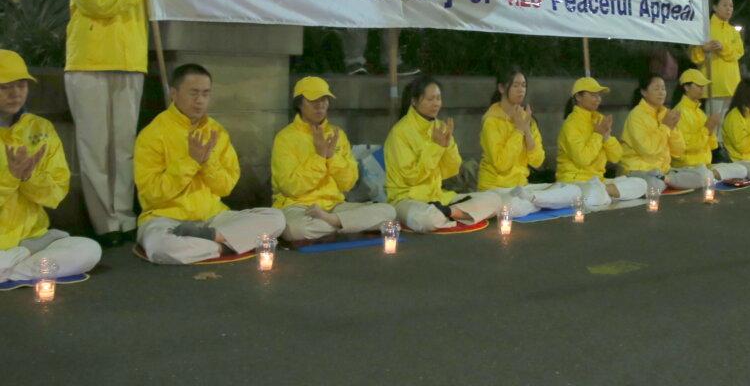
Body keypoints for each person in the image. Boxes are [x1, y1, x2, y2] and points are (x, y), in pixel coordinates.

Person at [62, 0, 154, 246]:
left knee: (123, 147)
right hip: (88, 62)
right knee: (95, 147)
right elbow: (97, 3)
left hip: (130, 62)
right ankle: (104, 224)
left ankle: (125, 218)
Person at [134, 64, 285, 265]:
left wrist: (206, 163)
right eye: (193, 93)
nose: (200, 101)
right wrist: (190, 162)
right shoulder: (152, 134)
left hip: (213, 218)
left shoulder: (217, 132)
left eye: (206, 94)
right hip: (165, 219)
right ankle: (225, 245)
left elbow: (225, 187)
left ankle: (211, 239)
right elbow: (152, 194)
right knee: (163, 247)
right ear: (173, 93)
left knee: (276, 218)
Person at [0, 51, 101, 283]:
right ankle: (20, 262)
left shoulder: (41, 128)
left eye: (21, 84)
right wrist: (10, 177)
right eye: (5, 86)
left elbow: (55, 193)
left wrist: (27, 178)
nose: (15, 93)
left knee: (88, 250)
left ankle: (12, 266)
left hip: (34, 236)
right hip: (24, 247)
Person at [272, 77, 395, 242]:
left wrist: (331, 157)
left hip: (335, 207)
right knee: (295, 229)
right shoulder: (285, 138)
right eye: (313, 100)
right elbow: (290, 187)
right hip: (298, 207)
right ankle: (346, 226)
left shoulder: (337, 134)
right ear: (299, 104)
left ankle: (333, 222)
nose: (320, 104)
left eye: (324, 99)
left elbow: (348, 183)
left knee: (388, 212)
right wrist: (319, 157)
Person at [384, 75, 501, 232]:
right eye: (430, 99)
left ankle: (449, 213)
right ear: (414, 101)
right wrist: (435, 147)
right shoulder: (399, 132)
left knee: (495, 200)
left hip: (438, 198)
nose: (436, 104)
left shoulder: (440, 127)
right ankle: (451, 214)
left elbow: (451, 170)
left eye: (438, 98)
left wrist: (446, 147)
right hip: (407, 199)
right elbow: (411, 177)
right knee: (427, 219)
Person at [477, 67, 581, 216]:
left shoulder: (527, 119)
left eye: (524, 85)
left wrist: (526, 130)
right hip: (496, 189)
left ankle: (535, 200)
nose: (521, 90)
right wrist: (518, 131)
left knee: (574, 191)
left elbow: (537, 161)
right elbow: (502, 164)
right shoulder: (491, 121)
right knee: (511, 206)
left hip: (522, 189)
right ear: (501, 88)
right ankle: (540, 202)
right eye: (515, 85)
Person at [555, 77, 647, 208]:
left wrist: (606, 136)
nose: (598, 98)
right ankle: (604, 193)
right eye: (592, 95)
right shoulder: (571, 124)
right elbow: (583, 159)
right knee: (591, 194)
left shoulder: (599, 119)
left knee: (641, 184)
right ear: (578, 97)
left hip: (599, 182)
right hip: (576, 182)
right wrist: (598, 135)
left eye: (598, 95)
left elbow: (616, 157)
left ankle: (605, 191)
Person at [619, 74, 713, 191]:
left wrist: (672, 129)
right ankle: (667, 181)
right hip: (640, 170)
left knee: (705, 176)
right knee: (654, 184)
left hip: (664, 171)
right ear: (644, 92)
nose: (661, 92)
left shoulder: (666, 113)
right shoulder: (636, 116)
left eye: (663, 88)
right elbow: (648, 151)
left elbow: (678, 151)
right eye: (656, 89)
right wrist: (665, 127)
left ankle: (667, 180)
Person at [671, 69, 747, 180]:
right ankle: (709, 178)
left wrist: (711, 131)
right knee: (704, 175)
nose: (702, 89)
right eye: (698, 86)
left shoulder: (700, 113)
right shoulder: (679, 112)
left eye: (703, 86)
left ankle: (712, 177)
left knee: (741, 169)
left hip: (705, 165)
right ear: (686, 87)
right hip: (687, 166)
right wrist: (707, 129)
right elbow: (685, 146)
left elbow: (712, 146)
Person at [688, 0, 744, 125]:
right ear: (714, 7)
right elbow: (694, 56)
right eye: (724, 5)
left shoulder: (733, 31)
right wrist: (703, 49)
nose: (729, 9)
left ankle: (722, 144)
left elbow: (739, 52)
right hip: (714, 82)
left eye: (731, 6)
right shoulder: (704, 28)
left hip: (732, 82)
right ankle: (713, 145)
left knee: (727, 122)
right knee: (712, 120)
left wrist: (723, 48)